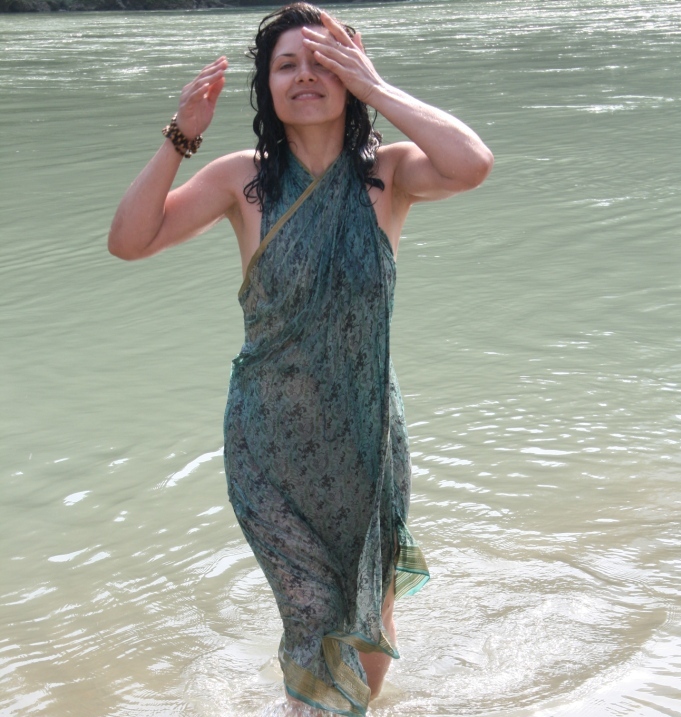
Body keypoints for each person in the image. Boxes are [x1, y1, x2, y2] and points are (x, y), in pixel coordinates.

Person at [109, 3, 493, 714]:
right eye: (287, 65)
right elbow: (130, 241)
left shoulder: (389, 175)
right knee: (312, 612)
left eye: (324, 63)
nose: (305, 76)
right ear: (267, 87)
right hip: (271, 445)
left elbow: (471, 164)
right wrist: (179, 137)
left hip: (366, 435)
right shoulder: (242, 180)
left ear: (350, 74)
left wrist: (377, 86)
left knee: (368, 613)